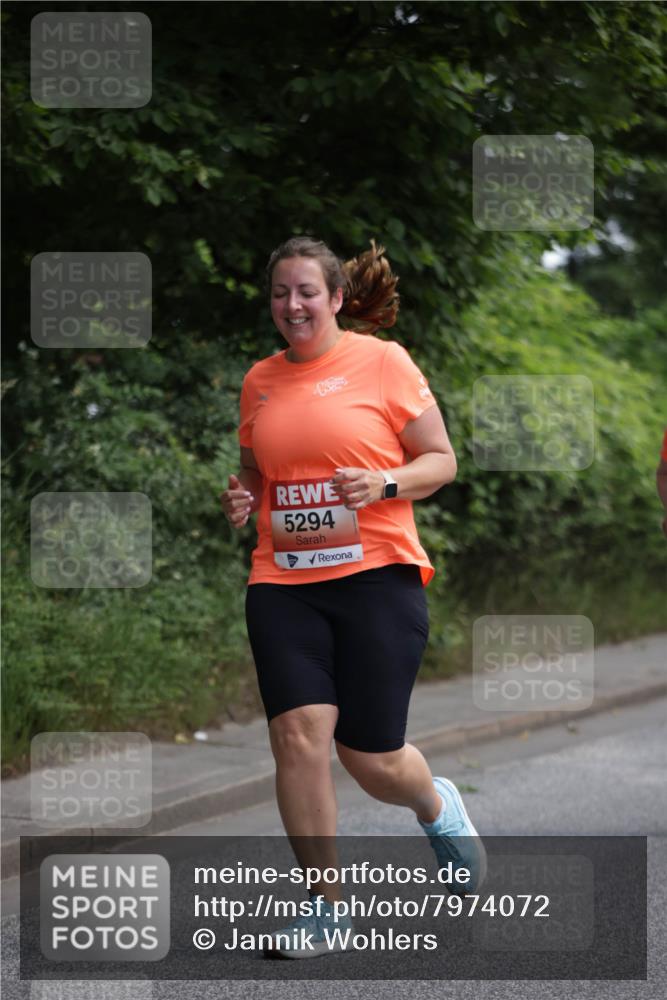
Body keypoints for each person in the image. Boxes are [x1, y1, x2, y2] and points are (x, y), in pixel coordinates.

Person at [219, 236, 486, 959]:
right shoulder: (259, 380)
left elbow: (441, 460)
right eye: (280, 293)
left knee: (371, 759)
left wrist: (383, 483)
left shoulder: (382, 362)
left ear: (336, 298)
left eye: (306, 291)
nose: (292, 305)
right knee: (298, 735)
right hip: (283, 581)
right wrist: (244, 499)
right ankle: (325, 908)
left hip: (375, 574)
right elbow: (255, 471)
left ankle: (436, 806)